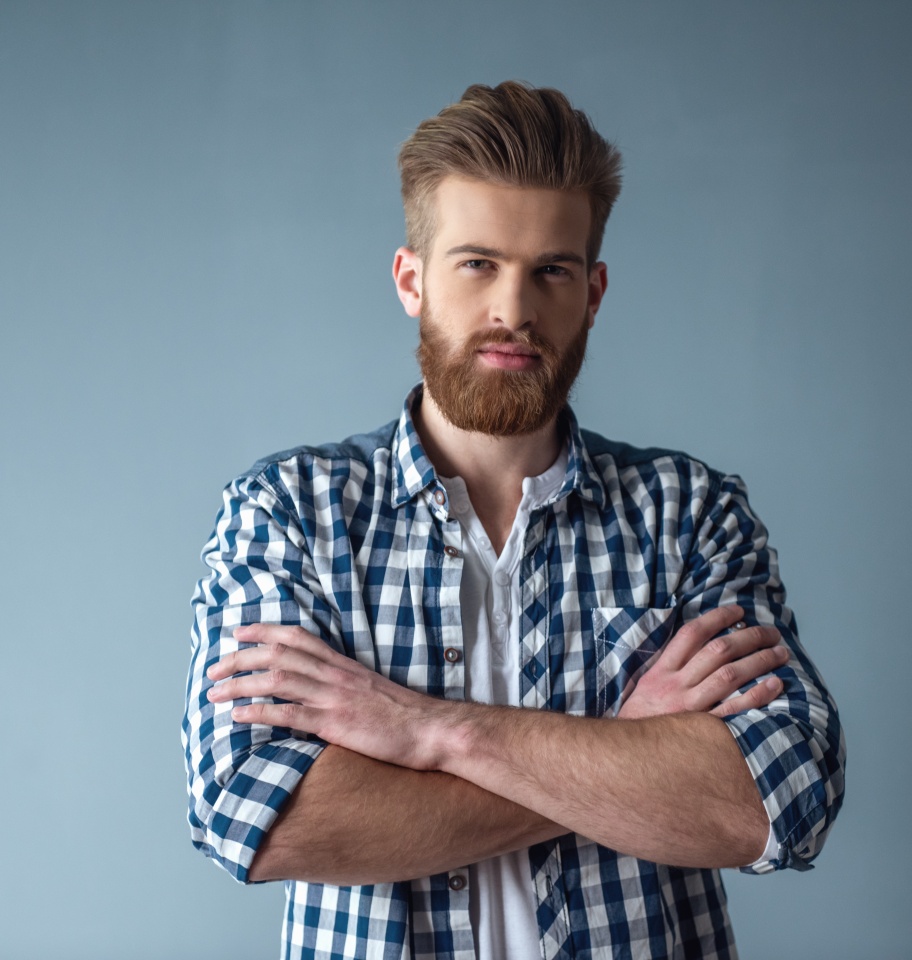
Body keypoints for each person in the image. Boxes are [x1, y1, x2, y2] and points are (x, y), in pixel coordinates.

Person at [183, 81, 845, 960]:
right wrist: (621, 754)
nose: (514, 310)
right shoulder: (292, 514)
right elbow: (257, 817)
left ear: (594, 291)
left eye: (552, 270)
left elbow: (778, 800)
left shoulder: (690, 515)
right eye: (477, 264)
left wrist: (429, 732)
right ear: (411, 280)